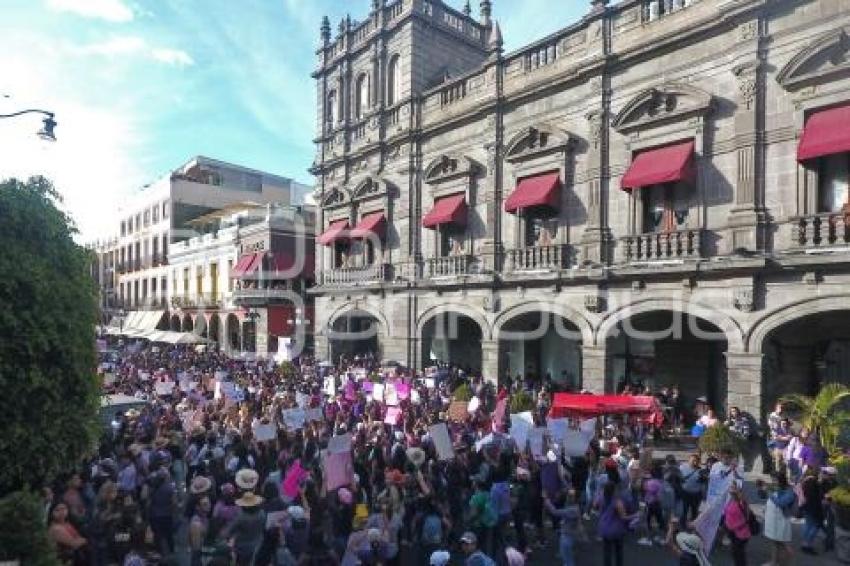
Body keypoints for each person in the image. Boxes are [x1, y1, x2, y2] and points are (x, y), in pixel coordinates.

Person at [595, 481, 634, 566]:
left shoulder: (601, 497)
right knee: (618, 551)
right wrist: (635, 516)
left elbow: (595, 505)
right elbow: (624, 517)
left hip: (604, 527)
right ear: (614, 490)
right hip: (617, 529)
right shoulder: (617, 502)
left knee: (607, 552)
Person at [763, 473, 795, 566]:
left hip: (782, 521)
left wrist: (769, 494)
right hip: (774, 520)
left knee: (783, 544)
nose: (773, 482)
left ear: (781, 480)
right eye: (773, 479)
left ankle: (786, 563)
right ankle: (774, 562)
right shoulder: (776, 488)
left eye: (775, 480)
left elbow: (780, 503)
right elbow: (766, 497)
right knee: (774, 542)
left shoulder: (789, 491)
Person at [543, 489, 581, 566]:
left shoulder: (573, 510)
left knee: (568, 559)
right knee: (566, 558)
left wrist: (547, 501)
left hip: (568, 536)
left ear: (575, 498)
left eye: (571, 496)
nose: (568, 497)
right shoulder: (572, 506)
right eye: (568, 495)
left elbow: (555, 512)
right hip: (567, 535)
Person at [723, 483, 752, 566]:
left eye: (732, 490)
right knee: (736, 553)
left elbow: (745, 520)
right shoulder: (734, 502)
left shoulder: (740, 504)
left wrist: (731, 527)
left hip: (740, 534)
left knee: (739, 555)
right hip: (736, 533)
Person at [800, 467, 825, 555]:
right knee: (815, 526)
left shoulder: (804, 481)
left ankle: (804, 543)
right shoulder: (814, 483)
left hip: (806, 507)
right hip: (813, 508)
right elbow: (817, 497)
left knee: (807, 525)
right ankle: (808, 545)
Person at [679, 454, 703, 523]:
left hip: (696, 494)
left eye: (697, 461)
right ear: (689, 460)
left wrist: (702, 479)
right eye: (693, 460)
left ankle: (693, 525)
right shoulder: (682, 467)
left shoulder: (700, 470)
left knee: (694, 511)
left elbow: (703, 482)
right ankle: (682, 526)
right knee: (684, 511)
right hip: (685, 493)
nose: (695, 462)